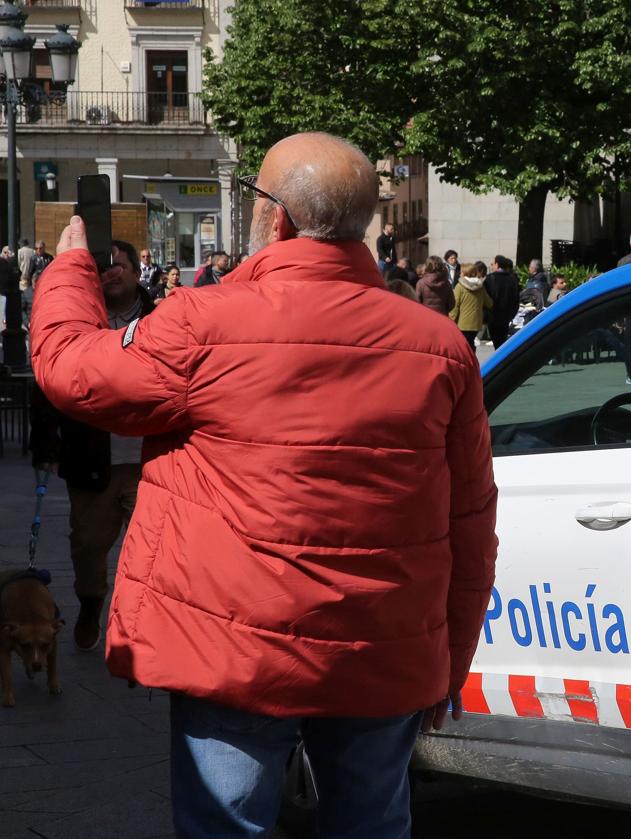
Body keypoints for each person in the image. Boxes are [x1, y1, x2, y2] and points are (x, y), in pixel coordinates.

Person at [30, 132, 498, 838]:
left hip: (235, 654)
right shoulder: (439, 346)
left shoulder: (204, 323)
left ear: (274, 218)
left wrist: (69, 269)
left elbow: (70, 366)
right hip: (385, 652)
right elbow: (471, 520)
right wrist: (449, 661)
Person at [29, 239, 156, 652]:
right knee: (87, 548)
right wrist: (46, 445)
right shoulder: (78, 319)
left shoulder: (165, 317)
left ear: (138, 272)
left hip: (149, 461)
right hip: (91, 458)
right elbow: (48, 381)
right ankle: (90, 603)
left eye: (119, 264)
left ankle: (139, 623)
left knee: (154, 551)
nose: (110, 271)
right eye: (104, 264)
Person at [450, 260, 493, 349]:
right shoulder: (480, 287)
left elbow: (455, 305)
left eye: (461, 271)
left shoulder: (460, 286)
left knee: (463, 346)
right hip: (476, 323)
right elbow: (489, 303)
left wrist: (451, 319)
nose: (460, 273)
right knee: (470, 343)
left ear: (465, 273)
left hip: (462, 323)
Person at [483, 255, 519, 349]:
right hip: (506, 317)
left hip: (493, 316)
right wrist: (511, 315)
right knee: (502, 342)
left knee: (497, 342)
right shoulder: (512, 279)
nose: (492, 266)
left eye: (493, 264)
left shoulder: (489, 279)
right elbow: (516, 300)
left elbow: (485, 299)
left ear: (497, 264)